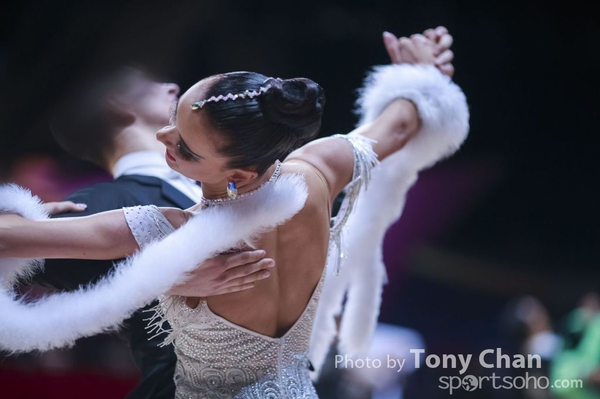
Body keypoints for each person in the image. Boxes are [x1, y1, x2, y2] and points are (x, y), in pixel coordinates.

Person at [0, 27, 468, 398]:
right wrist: (423, 77)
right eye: (174, 121)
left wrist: (20, 212)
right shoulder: (318, 170)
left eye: (183, 147)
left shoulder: (171, 230)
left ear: (238, 174)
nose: (164, 138)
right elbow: (398, 125)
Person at [33, 66, 280, 399]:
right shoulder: (101, 203)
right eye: (149, 83)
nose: (172, 86)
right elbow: (15, 257)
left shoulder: (236, 181)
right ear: (117, 104)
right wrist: (157, 279)